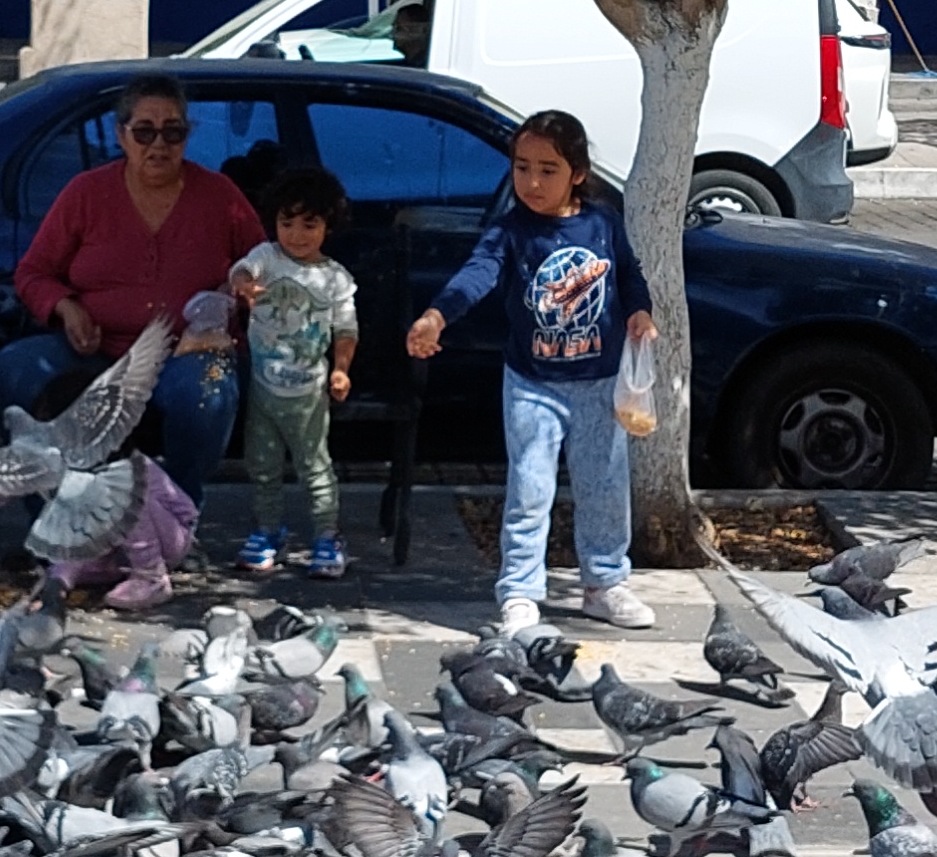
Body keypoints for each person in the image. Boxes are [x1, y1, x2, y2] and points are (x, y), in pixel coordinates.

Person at [406, 106, 656, 633]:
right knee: (530, 488)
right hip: (532, 385)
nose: (533, 181)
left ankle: (605, 583)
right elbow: (477, 274)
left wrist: (639, 312)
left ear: (578, 173)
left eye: (548, 169)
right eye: (522, 167)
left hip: (600, 383)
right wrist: (437, 315)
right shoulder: (510, 230)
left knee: (605, 487)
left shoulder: (603, 222)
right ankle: (519, 590)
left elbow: (630, 274)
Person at [0, 73, 262, 497]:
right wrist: (66, 307)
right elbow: (33, 272)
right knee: (15, 368)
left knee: (209, 389)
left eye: (172, 132)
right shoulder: (87, 192)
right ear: (122, 135)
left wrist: (236, 296)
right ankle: (53, 517)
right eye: (145, 132)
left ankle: (178, 515)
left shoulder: (219, 195)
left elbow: (262, 266)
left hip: (186, 353)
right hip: (98, 352)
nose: (159, 145)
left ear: (187, 135)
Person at [228, 168, 359, 580]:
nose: (297, 235)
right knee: (261, 464)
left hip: (309, 393)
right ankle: (268, 531)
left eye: (310, 224)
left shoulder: (335, 278)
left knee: (315, 466)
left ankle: (327, 535)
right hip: (264, 390)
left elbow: (346, 330)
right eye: (287, 223)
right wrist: (244, 286)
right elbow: (239, 272)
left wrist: (341, 371)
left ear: (328, 226)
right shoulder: (266, 257)